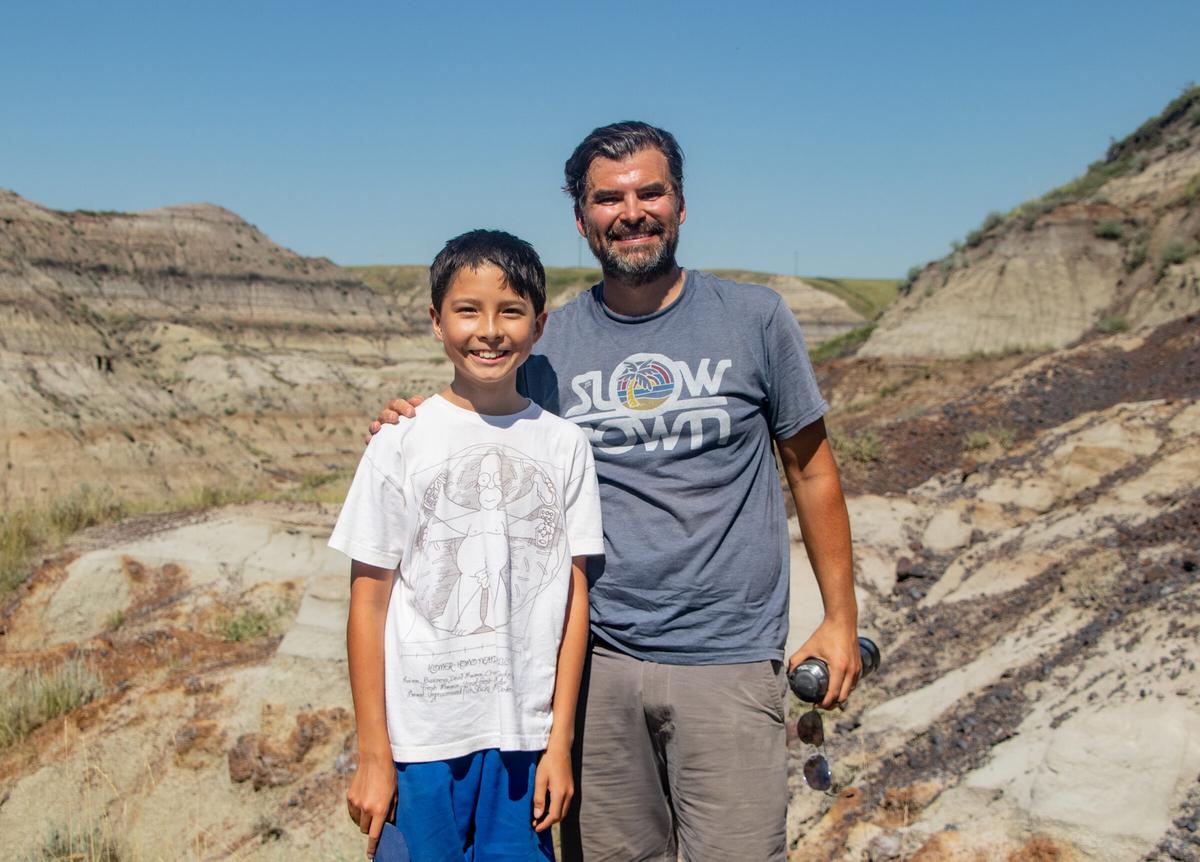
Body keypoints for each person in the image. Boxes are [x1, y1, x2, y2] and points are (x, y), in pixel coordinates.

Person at [371, 122, 861, 862]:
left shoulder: (755, 319)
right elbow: (485, 417)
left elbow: (813, 468)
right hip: (593, 668)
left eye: (650, 192)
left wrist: (840, 616)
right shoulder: (549, 343)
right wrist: (410, 419)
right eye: (608, 198)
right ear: (582, 220)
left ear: (681, 204)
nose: (632, 212)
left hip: (726, 661)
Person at [335, 229, 604, 860]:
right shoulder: (400, 441)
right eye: (467, 310)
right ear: (436, 322)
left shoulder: (565, 446)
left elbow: (574, 602)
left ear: (538, 327)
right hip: (421, 748)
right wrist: (374, 754)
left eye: (510, 311)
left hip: (523, 746)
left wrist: (559, 742)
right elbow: (367, 605)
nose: (489, 330)